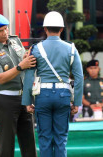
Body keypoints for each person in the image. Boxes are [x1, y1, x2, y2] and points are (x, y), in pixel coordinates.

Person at [22, 11, 84, 157]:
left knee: (44, 137)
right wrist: (77, 102)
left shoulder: (36, 49)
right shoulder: (71, 49)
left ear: (45, 29)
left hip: (42, 96)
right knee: (61, 138)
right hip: (63, 95)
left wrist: (27, 101)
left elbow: (29, 75)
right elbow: (79, 77)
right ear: (62, 29)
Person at [0, 13, 37, 157]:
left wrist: (25, 58)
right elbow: (0, 78)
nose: (5, 33)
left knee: (29, 143)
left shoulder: (15, 41)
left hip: (24, 98)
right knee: (7, 145)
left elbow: (23, 59)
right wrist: (20, 66)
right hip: (5, 100)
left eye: (6, 29)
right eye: (0, 30)